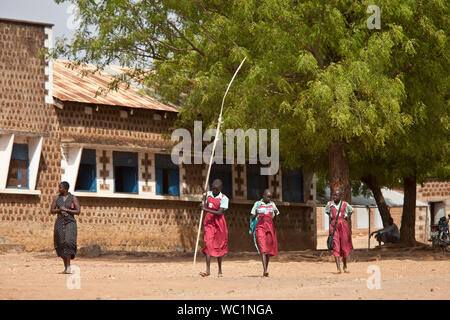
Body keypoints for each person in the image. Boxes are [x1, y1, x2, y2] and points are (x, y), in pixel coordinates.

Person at [199, 179, 229, 277]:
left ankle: (220, 270)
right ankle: (207, 270)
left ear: (220, 188)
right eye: (213, 188)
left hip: (219, 223)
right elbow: (202, 206)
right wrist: (201, 205)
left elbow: (220, 212)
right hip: (209, 222)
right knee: (208, 243)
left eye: (216, 189)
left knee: (218, 246)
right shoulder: (207, 195)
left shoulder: (224, 198)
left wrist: (205, 209)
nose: (214, 190)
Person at [50, 181, 80, 274]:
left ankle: (68, 266)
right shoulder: (57, 198)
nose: (59, 189)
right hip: (59, 222)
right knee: (61, 243)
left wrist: (67, 210)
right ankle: (66, 268)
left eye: (61, 187)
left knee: (68, 241)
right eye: (59, 187)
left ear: (66, 188)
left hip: (70, 222)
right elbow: (52, 210)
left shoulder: (73, 198)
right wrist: (59, 210)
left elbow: (78, 211)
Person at [250, 189, 279, 277]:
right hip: (260, 228)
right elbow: (251, 217)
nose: (269, 198)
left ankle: (265, 268)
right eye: (268, 197)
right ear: (263, 195)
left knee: (268, 250)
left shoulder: (272, 204)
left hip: (270, 228)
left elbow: (275, 218)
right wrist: (256, 213)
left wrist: (275, 212)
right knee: (263, 248)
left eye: (270, 197)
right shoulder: (257, 204)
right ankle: (265, 270)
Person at [325, 189, 354, 273]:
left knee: (344, 246)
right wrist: (333, 218)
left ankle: (345, 266)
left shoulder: (345, 204)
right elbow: (327, 212)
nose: (334, 196)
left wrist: (346, 217)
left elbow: (351, 210)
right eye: (333, 195)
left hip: (343, 226)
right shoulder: (329, 204)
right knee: (335, 245)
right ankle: (338, 268)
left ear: (341, 196)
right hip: (334, 227)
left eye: (336, 195)